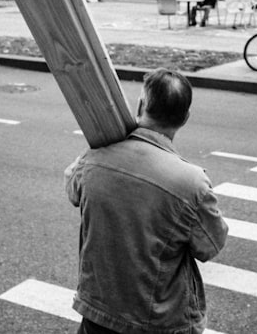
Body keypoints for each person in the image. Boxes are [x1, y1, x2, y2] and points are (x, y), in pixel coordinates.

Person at [65, 69, 228, 334]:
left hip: (99, 314)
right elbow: (210, 246)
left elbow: (72, 189)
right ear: (185, 119)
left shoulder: (93, 159)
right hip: (159, 322)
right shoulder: (192, 183)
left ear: (141, 106)